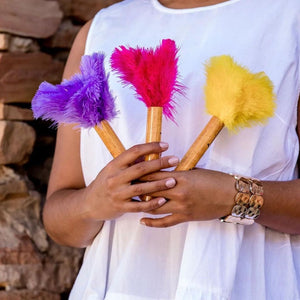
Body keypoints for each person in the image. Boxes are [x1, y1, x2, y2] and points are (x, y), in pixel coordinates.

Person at [42, 0, 300, 299]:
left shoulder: (288, 20)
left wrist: (232, 197)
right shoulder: (101, 29)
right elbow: (60, 223)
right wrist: (95, 201)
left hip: (252, 287)